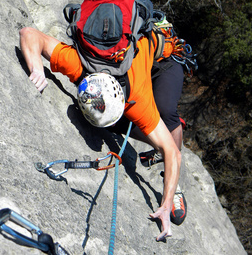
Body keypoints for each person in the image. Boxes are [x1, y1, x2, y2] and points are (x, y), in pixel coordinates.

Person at [19, 25, 186, 241]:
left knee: (165, 111)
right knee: (110, 125)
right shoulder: (80, 66)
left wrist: (165, 204)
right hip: (122, 59)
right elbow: (28, 33)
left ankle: (174, 182)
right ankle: (154, 139)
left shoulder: (138, 99)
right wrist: (37, 69)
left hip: (164, 60)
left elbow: (173, 153)